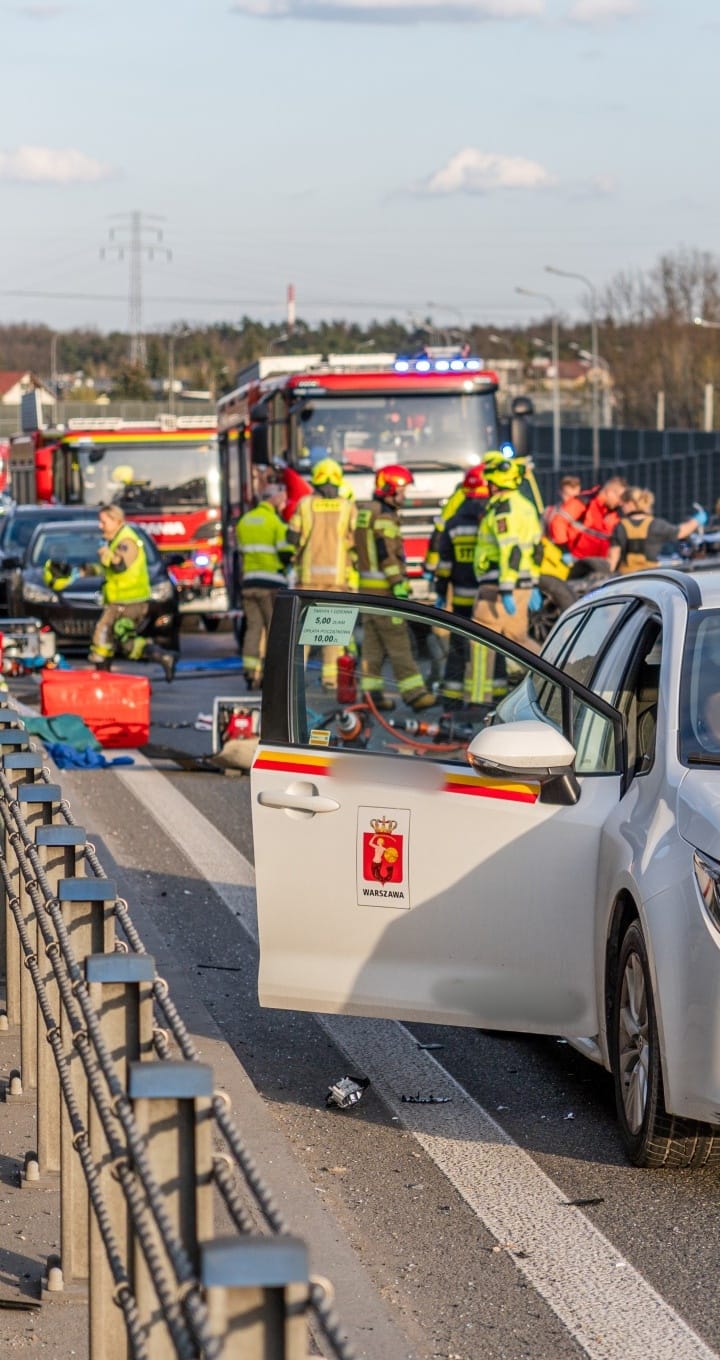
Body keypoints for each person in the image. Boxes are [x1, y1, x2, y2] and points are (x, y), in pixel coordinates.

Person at [354, 464, 436, 711]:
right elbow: (386, 553)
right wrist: (398, 583)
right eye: (402, 490)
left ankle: (371, 696)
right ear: (389, 489)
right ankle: (415, 694)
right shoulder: (385, 516)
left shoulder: (365, 512)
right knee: (399, 643)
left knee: (372, 647)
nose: (405, 496)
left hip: (367, 592)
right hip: (385, 592)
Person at [472, 451, 543, 702]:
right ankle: (555, 672)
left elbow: (509, 551)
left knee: (480, 638)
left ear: (495, 482)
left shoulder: (503, 509)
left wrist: (504, 588)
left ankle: (478, 698)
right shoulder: (526, 506)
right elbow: (535, 548)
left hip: (498, 585)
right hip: (521, 585)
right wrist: (532, 582)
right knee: (517, 639)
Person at [287, 458, 356, 689]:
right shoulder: (347, 507)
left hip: (307, 579)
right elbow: (354, 541)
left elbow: (292, 537)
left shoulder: (305, 505)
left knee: (303, 633)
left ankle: (296, 680)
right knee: (332, 632)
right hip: (336, 581)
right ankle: (330, 679)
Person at [89, 503, 178, 681]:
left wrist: (106, 554)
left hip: (129, 602)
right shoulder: (115, 541)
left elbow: (119, 565)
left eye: (103, 522)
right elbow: (105, 570)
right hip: (120, 602)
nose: (100, 526)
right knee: (124, 642)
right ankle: (162, 657)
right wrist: (79, 571)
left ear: (116, 521)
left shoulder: (126, 541)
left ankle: (102, 677)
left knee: (103, 635)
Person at [434, 468, 488, 707]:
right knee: (484, 650)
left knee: (457, 648)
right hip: (485, 598)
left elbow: (444, 563)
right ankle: (479, 701)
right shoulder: (488, 520)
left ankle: (452, 701)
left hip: (460, 598)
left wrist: (439, 590)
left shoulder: (454, 522)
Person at [236, 480, 292, 689]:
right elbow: (285, 553)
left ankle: (250, 673)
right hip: (272, 584)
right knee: (272, 631)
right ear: (275, 499)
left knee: (253, 629)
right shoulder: (275, 523)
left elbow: (241, 553)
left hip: (250, 583)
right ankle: (270, 676)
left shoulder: (244, 521)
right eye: (283, 499)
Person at [608, 487, 705, 574]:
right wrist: (698, 520)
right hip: (651, 578)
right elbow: (682, 532)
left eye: (623, 505)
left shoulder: (620, 527)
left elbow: (613, 560)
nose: (621, 508)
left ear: (630, 504)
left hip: (626, 580)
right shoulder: (657, 525)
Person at [423, 465, 489, 576]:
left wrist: (431, 567)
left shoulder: (459, 496)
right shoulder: (500, 499)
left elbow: (439, 532)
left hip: (461, 569)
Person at [564, 475, 626, 566]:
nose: (620, 502)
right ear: (609, 492)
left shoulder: (614, 513)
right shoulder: (585, 501)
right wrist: (565, 551)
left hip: (598, 563)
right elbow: (559, 522)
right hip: (576, 560)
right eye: (619, 497)